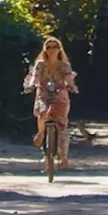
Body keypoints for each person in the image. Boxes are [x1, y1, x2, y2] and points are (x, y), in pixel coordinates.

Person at [24, 36, 77, 165]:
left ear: (60, 49)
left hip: (59, 94)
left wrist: (72, 86)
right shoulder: (40, 64)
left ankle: (64, 157)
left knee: (62, 126)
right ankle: (41, 133)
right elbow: (35, 78)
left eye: (55, 47)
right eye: (49, 47)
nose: (52, 50)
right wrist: (31, 85)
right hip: (43, 94)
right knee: (42, 113)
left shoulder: (64, 65)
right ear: (45, 50)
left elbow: (69, 79)